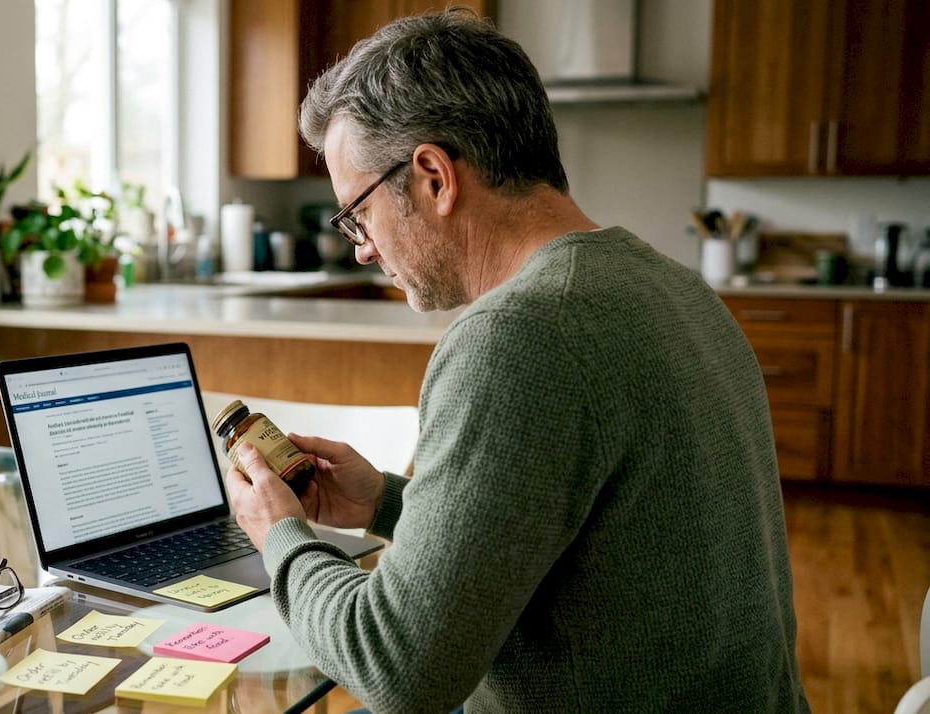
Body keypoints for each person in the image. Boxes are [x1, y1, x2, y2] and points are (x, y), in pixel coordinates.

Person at [223, 9, 809, 713]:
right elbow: (574, 549)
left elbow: (396, 670)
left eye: (359, 214)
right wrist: (382, 501)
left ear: (435, 176)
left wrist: (278, 535)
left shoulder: (518, 338)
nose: (362, 249)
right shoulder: (669, 283)